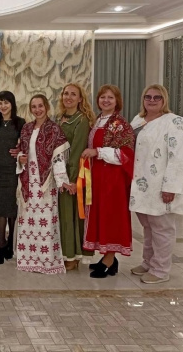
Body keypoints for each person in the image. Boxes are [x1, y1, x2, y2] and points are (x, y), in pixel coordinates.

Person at [129, 84, 183, 284]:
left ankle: (161, 269)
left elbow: (178, 157)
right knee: (148, 226)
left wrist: (170, 187)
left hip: (160, 185)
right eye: (148, 97)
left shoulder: (174, 122)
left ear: (164, 100)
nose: (152, 100)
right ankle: (148, 262)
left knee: (162, 228)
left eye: (157, 97)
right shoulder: (137, 120)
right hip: (140, 185)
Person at [82, 84, 135, 278]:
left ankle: (109, 259)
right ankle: (109, 258)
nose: (106, 100)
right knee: (101, 215)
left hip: (112, 179)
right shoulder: (98, 120)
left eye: (110, 97)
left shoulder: (119, 124)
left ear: (117, 101)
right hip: (98, 177)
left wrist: (97, 152)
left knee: (111, 216)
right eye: (103, 97)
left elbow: (126, 153)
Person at [17, 94, 72, 274]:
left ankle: (47, 261)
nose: (37, 110)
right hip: (28, 182)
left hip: (46, 183)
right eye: (34, 107)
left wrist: (62, 180)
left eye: (40, 106)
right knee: (28, 220)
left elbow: (58, 157)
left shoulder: (54, 129)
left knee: (46, 222)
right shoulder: (26, 128)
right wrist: (20, 158)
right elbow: (21, 152)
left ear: (47, 107)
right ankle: (28, 259)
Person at [55, 83, 96, 271]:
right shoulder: (59, 118)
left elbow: (77, 152)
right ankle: (62, 252)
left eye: (73, 94)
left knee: (69, 216)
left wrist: (70, 180)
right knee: (61, 216)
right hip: (57, 175)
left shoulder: (82, 120)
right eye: (66, 93)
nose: (68, 97)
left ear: (80, 99)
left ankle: (72, 256)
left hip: (72, 178)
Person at [0, 91, 25, 264]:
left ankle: (11, 242)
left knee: (11, 208)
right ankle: (1, 246)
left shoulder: (20, 122)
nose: (3, 106)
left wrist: (20, 151)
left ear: (12, 104)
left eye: (6, 103)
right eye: (0, 103)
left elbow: (26, 145)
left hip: (13, 170)